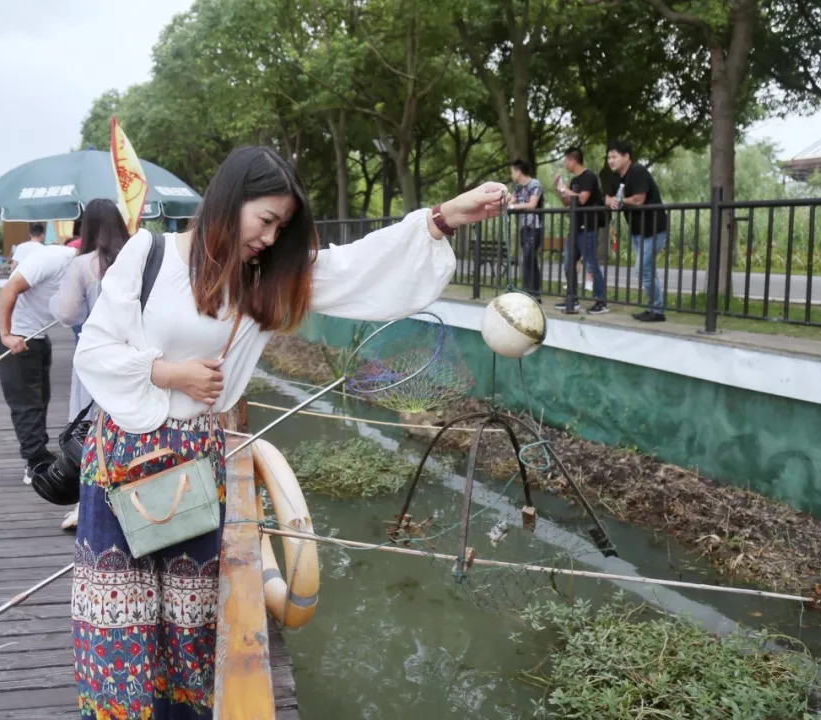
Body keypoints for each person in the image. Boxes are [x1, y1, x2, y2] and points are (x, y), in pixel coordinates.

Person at [72, 145, 507, 720]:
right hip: (120, 461)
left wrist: (443, 217)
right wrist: (167, 371)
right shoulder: (148, 254)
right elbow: (94, 348)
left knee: (188, 633)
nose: (272, 238)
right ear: (231, 202)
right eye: (266, 220)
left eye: (282, 226)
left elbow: (357, 266)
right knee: (118, 636)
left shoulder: (268, 279)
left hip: (193, 465)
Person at [50, 199, 129, 530]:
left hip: (95, 358)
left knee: (88, 431)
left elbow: (68, 313)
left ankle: (89, 505)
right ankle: (131, 498)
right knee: (128, 427)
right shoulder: (138, 257)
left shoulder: (83, 265)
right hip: (134, 359)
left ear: (87, 227)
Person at [0, 240, 78, 484]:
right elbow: (10, 288)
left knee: (41, 398)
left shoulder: (86, 269)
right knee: (26, 403)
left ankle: (38, 453)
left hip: (37, 334)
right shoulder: (55, 258)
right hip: (14, 334)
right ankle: (35, 462)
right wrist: (6, 335)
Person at [605, 139, 668, 322]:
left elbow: (639, 200)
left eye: (614, 156)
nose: (610, 161)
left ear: (626, 157)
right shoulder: (615, 177)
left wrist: (620, 201)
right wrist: (612, 201)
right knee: (648, 270)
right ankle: (655, 308)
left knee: (642, 269)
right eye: (609, 157)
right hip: (637, 230)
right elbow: (607, 198)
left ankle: (657, 310)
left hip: (654, 228)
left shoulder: (637, 171)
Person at [554, 147, 608, 315]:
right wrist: (559, 190)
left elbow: (583, 199)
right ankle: (573, 298)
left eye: (566, 161)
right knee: (569, 262)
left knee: (591, 263)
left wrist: (564, 189)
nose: (565, 164)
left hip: (588, 226)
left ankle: (601, 301)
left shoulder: (589, 177)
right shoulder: (574, 181)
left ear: (573, 160)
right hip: (575, 227)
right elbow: (568, 203)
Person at [506, 158, 543, 301]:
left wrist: (513, 207)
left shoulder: (535, 184)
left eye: (512, 172)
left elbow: (532, 204)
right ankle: (534, 292)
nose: (511, 175)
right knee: (529, 259)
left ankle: (529, 292)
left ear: (519, 171)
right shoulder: (518, 187)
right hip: (524, 227)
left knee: (528, 257)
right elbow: (510, 201)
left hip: (535, 226)